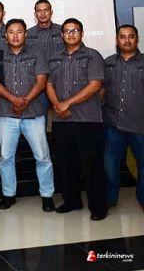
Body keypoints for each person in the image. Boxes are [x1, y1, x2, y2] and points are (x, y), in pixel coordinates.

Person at [0, 19, 55, 212]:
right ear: (6, 35)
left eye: (19, 32)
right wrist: (15, 101)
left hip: (34, 114)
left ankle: (47, 196)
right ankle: (8, 195)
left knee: (42, 156)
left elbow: (41, 81)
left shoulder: (37, 53)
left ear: (25, 34)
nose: (15, 35)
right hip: (7, 114)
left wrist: (25, 101)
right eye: (11, 32)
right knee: (6, 158)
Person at [46, 18, 108, 221]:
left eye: (75, 30)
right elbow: (49, 85)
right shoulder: (54, 58)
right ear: (61, 35)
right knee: (66, 164)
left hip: (87, 120)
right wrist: (58, 106)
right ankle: (72, 201)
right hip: (62, 121)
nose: (71, 34)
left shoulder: (92, 55)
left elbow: (95, 84)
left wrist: (68, 103)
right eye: (67, 31)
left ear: (82, 33)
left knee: (92, 166)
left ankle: (98, 206)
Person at [102, 24, 144, 211]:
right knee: (110, 165)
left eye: (131, 36)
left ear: (137, 39)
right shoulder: (108, 62)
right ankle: (110, 198)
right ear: (117, 40)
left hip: (139, 125)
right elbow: (101, 90)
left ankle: (142, 197)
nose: (127, 40)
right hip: (113, 125)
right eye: (122, 36)